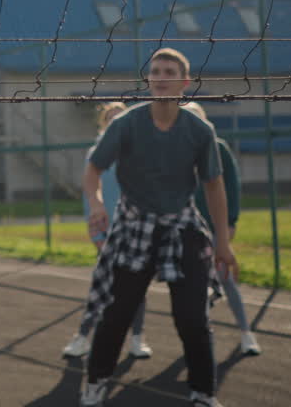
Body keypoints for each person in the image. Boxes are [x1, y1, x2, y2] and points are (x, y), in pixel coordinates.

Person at [79, 48, 238, 407]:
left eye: (169, 71)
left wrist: (223, 243)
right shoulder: (126, 124)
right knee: (117, 314)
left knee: (193, 318)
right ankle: (96, 381)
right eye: (155, 71)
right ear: (148, 79)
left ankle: (203, 392)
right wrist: (97, 203)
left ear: (184, 82)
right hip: (135, 227)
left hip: (181, 227)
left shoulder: (199, 131)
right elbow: (93, 169)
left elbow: (214, 186)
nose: (161, 76)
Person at [62, 101, 151, 361]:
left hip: (134, 230)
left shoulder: (139, 153)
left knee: (136, 287)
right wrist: (97, 233)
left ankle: (137, 338)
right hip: (107, 231)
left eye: (119, 118)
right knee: (103, 286)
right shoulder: (96, 154)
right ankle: (82, 338)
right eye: (110, 119)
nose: (115, 122)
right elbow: (89, 195)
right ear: (103, 125)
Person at [183, 102, 262, 356]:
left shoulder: (218, 148)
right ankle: (201, 342)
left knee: (225, 279)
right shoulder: (179, 151)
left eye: (196, 118)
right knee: (193, 287)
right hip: (190, 229)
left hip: (216, 228)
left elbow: (231, 186)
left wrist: (230, 223)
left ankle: (246, 333)